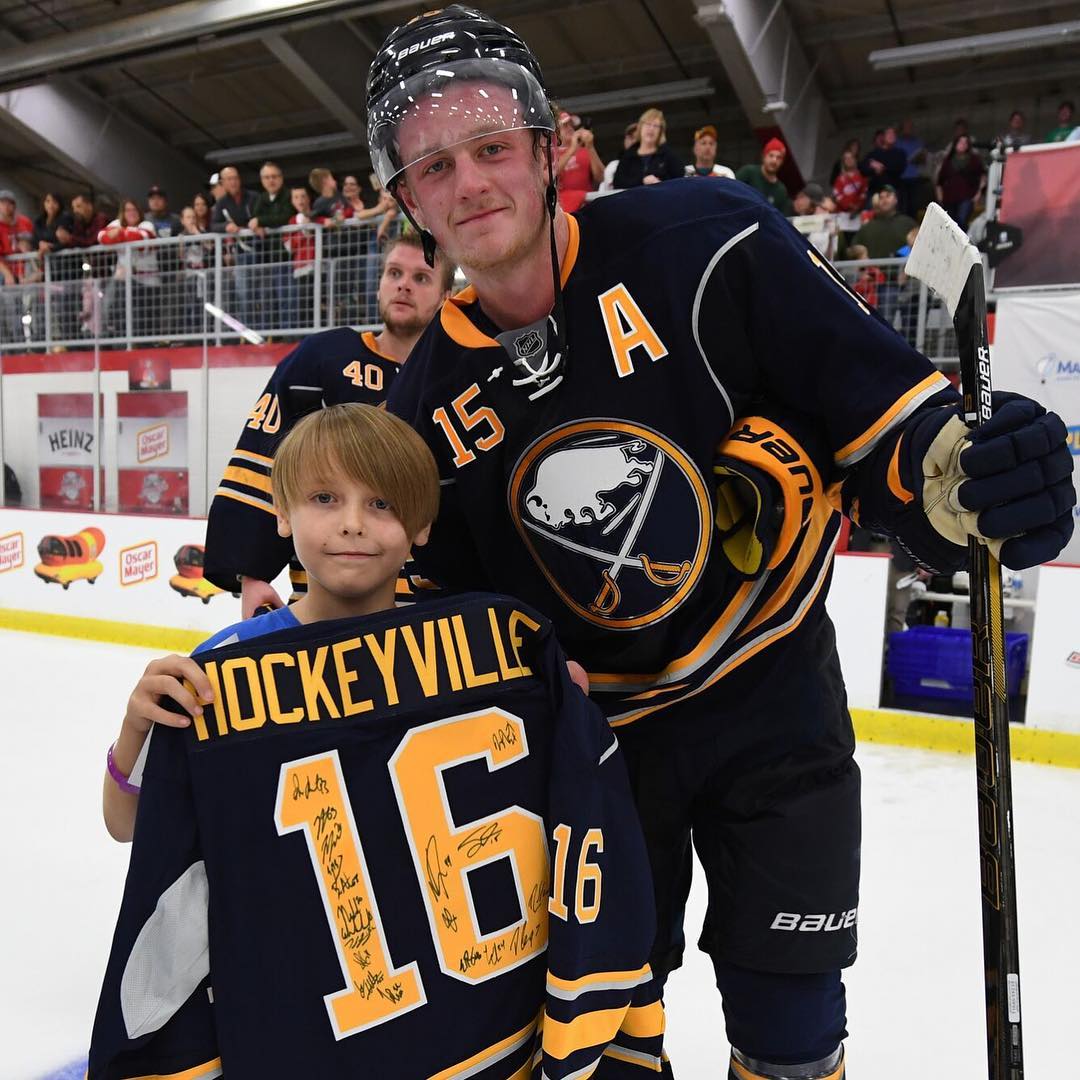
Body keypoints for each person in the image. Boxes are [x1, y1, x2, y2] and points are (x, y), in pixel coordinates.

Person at [366, 7, 1074, 1078]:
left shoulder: (708, 236)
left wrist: (961, 478)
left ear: (550, 147)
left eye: (492, 145)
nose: (469, 182)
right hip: (599, 756)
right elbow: (433, 623)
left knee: (792, 1025)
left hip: (771, 694)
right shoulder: (420, 414)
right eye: (433, 166)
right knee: (605, 1033)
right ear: (407, 200)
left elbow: (873, 416)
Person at [94, 402, 664, 1078]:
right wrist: (136, 731)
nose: (352, 523)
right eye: (324, 498)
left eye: (383, 504)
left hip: (471, 1008)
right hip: (318, 1011)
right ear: (281, 514)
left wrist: (553, 704)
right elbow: (128, 826)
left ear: (421, 527)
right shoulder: (225, 674)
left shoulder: (491, 653)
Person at [203, 230, 455, 617]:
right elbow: (266, 455)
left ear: (445, 297)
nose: (404, 285)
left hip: (431, 609)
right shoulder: (324, 358)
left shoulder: (459, 374)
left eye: (421, 278)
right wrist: (252, 575)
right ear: (379, 284)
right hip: (325, 603)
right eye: (394, 273)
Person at [98, 198, 161, 339]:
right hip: (126, 281)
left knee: (147, 320)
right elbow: (101, 237)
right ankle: (124, 343)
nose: (131, 213)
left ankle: (148, 346)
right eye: (127, 210)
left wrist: (119, 234)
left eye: (134, 210)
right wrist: (117, 235)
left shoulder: (147, 224)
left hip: (149, 282)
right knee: (124, 315)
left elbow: (142, 238)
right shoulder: (117, 224)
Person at [613, 107, 684, 188]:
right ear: (640, 127)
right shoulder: (628, 156)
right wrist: (642, 181)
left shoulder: (668, 155)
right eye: (648, 124)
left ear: (660, 132)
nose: (651, 128)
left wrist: (661, 184)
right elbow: (618, 183)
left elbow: (680, 179)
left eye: (656, 126)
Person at [555, 110, 604, 211]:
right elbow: (552, 173)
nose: (570, 128)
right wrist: (572, 149)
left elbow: (601, 178)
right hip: (561, 209)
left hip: (586, 205)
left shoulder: (584, 151)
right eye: (565, 125)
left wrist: (590, 147)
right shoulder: (549, 153)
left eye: (571, 125)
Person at [934, 134, 986, 228]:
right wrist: (940, 198)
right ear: (955, 144)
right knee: (951, 224)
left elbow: (983, 176)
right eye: (961, 142)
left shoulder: (974, 159)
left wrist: (978, 194)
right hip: (949, 198)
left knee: (961, 222)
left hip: (967, 197)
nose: (963, 144)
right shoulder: (948, 160)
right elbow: (940, 181)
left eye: (965, 142)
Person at [734, 137, 793, 214]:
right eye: (771, 155)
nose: (774, 160)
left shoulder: (781, 190)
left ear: (782, 162)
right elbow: (731, 191)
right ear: (764, 156)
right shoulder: (748, 172)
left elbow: (782, 217)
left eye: (779, 157)